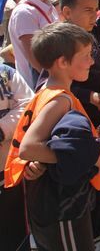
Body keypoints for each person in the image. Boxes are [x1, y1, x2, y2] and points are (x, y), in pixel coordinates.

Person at [4, 22, 100, 251]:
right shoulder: (60, 100)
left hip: (54, 204)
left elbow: (46, 146)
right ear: (62, 62)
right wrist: (91, 157)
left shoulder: (50, 93)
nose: (92, 62)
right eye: (86, 56)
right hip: (61, 206)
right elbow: (29, 148)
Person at [58, 0, 100, 249]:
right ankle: (93, 234)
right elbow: (59, 83)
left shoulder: (91, 33)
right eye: (87, 10)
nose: (95, 15)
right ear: (66, 12)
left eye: (96, 9)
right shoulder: (61, 41)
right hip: (82, 119)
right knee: (93, 175)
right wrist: (90, 96)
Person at [8, 0, 61, 87]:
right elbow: (35, 58)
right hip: (36, 87)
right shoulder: (24, 12)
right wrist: (56, 81)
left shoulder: (49, 7)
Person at [0, 62, 34, 251]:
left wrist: (1, 129)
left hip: (7, 170)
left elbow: (28, 104)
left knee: (13, 230)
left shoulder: (5, 74)